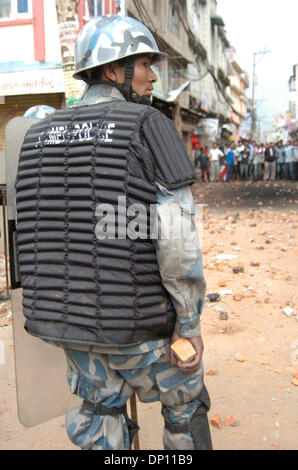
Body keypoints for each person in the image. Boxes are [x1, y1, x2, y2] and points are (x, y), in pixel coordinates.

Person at [15, 15, 212, 451]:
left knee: (100, 417)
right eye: (145, 63)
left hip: (67, 326)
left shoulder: (35, 136)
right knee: (186, 406)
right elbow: (176, 239)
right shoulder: (147, 123)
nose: (153, 75)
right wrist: (190, 322)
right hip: (141, 331)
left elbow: (31, 230)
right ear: (112, 69)